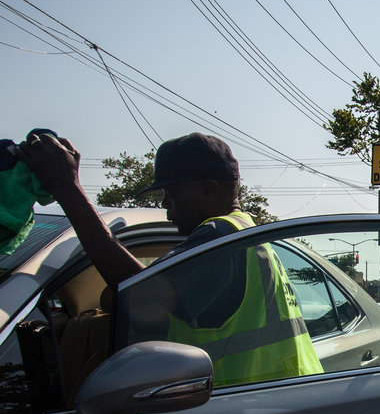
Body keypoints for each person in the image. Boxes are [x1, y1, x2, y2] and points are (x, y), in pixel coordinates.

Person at [17, 131, 321, 385]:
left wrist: (68, 189)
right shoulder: (242, 232)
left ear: (210, 190)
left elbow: (138, 289)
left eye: (172, 194)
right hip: (272, 406)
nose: (166, 208)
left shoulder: (218, 239)